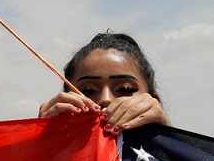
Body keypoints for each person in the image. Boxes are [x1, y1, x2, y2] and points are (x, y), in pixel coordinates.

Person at [38, 32, 171, 134]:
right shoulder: (47, 155)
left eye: (125, 89)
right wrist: (40, 138)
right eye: (88, 91)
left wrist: (171, 137)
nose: (105, 99)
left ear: (155, 102)